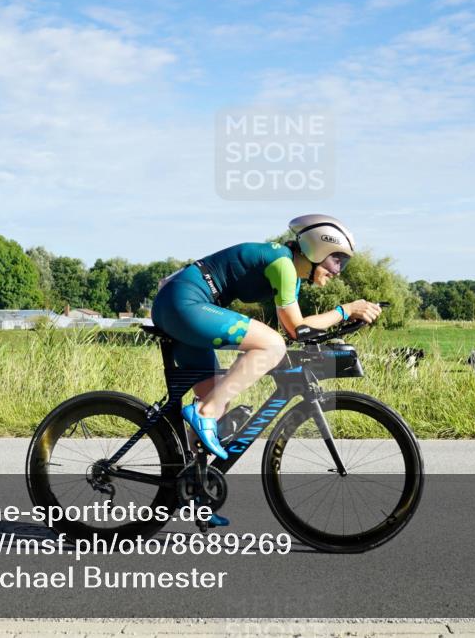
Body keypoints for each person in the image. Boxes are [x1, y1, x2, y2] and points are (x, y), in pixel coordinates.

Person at [150, 214, 382, 526]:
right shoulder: (283, 265)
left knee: (220, 396)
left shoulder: (290, 272)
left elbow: (297, 327)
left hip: (181, 302)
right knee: (270, 347)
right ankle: (204, 412)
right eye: (336, 261)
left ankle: (195, 490)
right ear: (316, 249)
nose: (338, 272)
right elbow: (294, 331)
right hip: (183, 301)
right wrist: (344, 310)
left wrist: (343, 317)